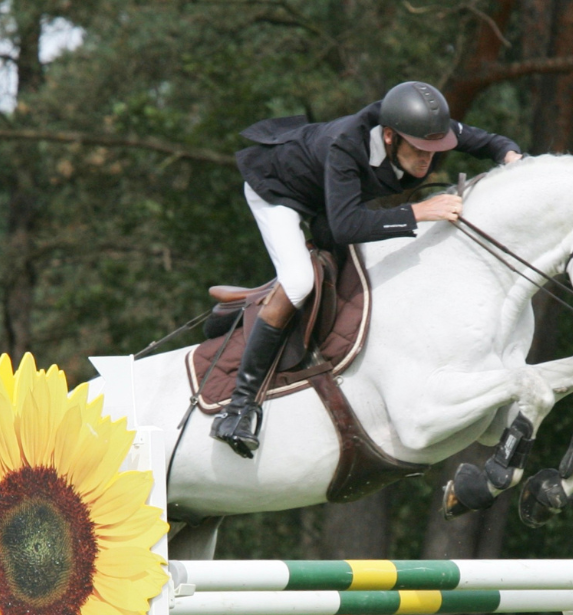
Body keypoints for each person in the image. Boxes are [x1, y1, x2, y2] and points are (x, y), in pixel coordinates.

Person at [211, 80, 523, 458]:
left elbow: (488, 142)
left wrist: (512, 159)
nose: (428, 159)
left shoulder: (420, 127)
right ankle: (238, 408)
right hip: (278, 190)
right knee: (299, 281)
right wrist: (418, 212)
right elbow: (346, 227)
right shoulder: (345, 145)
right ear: (390, 136)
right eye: (419, 150)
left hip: (327, 198)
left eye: (434, 149)